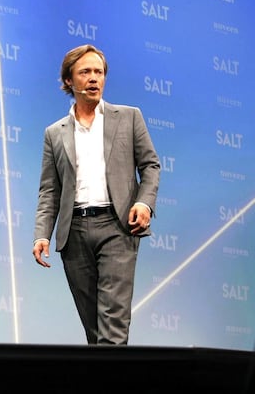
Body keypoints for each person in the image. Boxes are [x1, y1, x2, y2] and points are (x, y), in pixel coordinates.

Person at [32, 44, 161, 345]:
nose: (94, 78)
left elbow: (151, 166)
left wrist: (144, 202)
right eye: (85, 72)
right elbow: (50, 189)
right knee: (94, 332)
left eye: (99, 72)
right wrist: (41, 235)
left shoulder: (129, 117)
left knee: (113, 328)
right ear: (69, 81)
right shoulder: (54, 132)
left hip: (116, 227)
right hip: (73, 234)